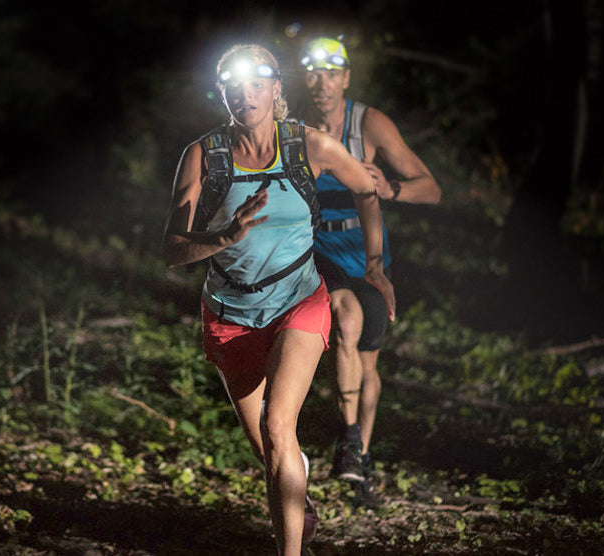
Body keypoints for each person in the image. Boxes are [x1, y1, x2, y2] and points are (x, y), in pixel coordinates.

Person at [161, 43, 395, 555]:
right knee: (271, 449)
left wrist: (374, 264)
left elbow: (366, 188)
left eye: (256, 83)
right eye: (233, 84)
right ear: (221, 92)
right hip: (230, 314)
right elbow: (172, 251)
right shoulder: (204, 155)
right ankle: (297, 497)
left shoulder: (308, 146)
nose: (246, 94)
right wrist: (222, 237)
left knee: (276, 423)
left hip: (299, 301)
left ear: (275, 90)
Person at [296, 36, 441, 507]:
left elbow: (432, 190)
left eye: (331, 74)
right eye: (312, 74)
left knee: (368, 362)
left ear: (346, 78)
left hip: (368, 254)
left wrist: (392, 188)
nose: (321, 84)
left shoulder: (369, 123)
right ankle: (349, 437)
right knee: (345, 319)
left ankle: (359, 455)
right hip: (319, 250)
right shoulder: (292, 125)